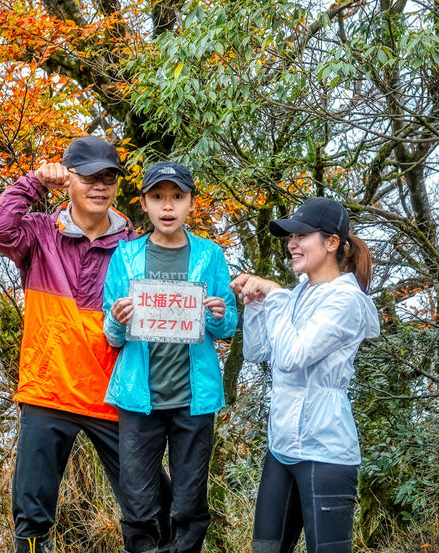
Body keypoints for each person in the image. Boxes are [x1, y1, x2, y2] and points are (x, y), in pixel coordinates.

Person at [0, 136, 170, 553]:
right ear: (68, 180)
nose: (99, 186)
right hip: (48, 390)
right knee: (32, 518)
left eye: (108, 178)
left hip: (114, 396)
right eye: (88, 177)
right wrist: (32, 183)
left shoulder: (135, 250)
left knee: (156, 505)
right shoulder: (41, 233)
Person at [102, 161, 238, 553]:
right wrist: (117, 319)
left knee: (189, 503)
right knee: (139, 504)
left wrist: (218, 314)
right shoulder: (125, 256)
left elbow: (227, 325)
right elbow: (111, 335)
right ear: (143, 203)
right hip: (137, 397)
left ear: (191, 204)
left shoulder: (210, 255)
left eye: (177, 197)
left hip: (194, 401)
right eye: (158, 197)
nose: (167, 206)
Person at [230, 197, 380, 553]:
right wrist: (255, 306)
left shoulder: (347, 302)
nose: (292, 244)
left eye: (301, 235)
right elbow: (259, 352)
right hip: (281, 448)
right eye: (289, 237)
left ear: (331, 243)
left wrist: (276, 295)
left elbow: (294, 355)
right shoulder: (297, 294)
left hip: (326, 452)